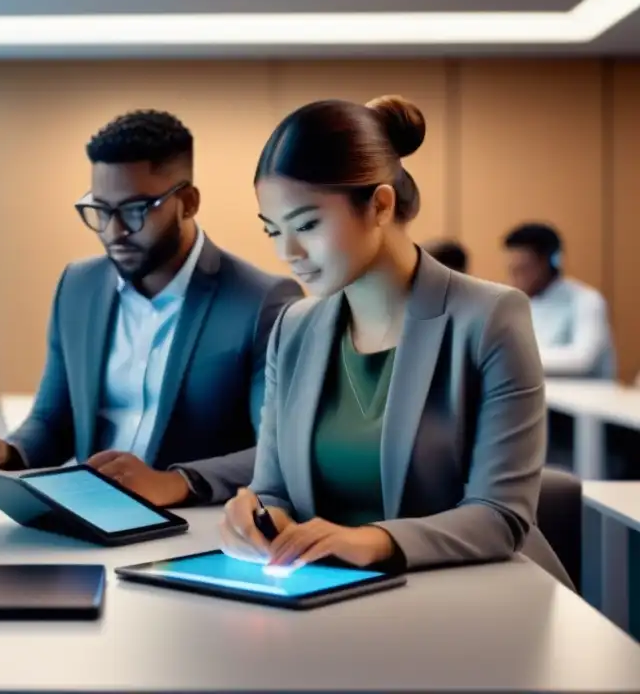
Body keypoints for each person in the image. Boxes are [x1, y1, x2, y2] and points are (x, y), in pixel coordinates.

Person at [218, 96, 568, 585]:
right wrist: (259, 516)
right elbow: (274, 488)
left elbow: (500, 514)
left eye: (307, 225)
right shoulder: (293, 327)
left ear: (380, 205)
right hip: (331, 594)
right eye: (273, 231)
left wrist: (373, 540)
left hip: (478, 599)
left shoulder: (490, 317)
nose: (287, 252)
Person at [0, 110, 301, 506]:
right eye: (101, 210)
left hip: (194, 524)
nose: (115, 230)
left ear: (188, 202)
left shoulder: (263, 301)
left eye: (137, 210)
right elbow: (53, 421)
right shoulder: (77, 287)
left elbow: (279, 453)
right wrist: (13, 452)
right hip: (90, 514)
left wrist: (174, 482)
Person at [502, 223, 615, 380]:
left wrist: (513, 359)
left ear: (547, 263)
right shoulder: (518, 304)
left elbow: (583, 360)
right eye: (512, 270)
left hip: (582, 400)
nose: (514, 279)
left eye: (522, 269)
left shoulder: (586, 300)